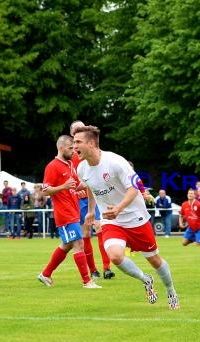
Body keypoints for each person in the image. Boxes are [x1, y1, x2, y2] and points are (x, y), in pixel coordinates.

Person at [73, 125, 180, 309]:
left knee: (154, 259)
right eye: (73, 142)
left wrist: (119, 208)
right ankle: (145, 279)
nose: (74, 147)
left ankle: (171, 291)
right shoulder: (82, 168)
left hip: (135, 217)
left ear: (91, 143)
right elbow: (91, 186)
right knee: (115, 256)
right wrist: (91, 211)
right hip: (111, 220)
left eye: (78, 142)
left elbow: (134, 188)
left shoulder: (115, 162)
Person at [37, 135, 101, 289]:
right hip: (64, 213)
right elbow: (45, 191)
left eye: (74, 147)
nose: (73, 151)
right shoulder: (52, 166)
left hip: (74, 210)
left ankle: (45, 274)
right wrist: (63, 187)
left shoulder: (70, 164)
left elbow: (75, 186)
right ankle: (87, 281)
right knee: (79, 243)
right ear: (61, 148)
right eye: (70, 148)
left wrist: (87, 184)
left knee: (67, 245)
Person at [70, 120, 114, 280]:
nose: (78, 132)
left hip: (94, 197)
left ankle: (107, 267)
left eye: (81, 129)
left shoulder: (92, 152)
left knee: (100, 227)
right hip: (79, 200)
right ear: (71, 134)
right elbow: (69, 181)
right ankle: (93, 269)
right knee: (86, 233)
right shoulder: (71, 156)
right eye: (76, 131)